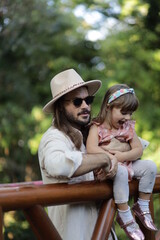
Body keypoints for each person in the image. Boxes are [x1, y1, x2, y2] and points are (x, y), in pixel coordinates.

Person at [38, 69, 118, 240]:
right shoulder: (54, 137)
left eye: (88, 100)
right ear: (60, 107)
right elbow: (57, 164)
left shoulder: (90, 137)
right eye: (77, 102)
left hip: (101, 232)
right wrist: (104, 159)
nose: (85, 106)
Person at [86, 84, 157, 240]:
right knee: (121, 171)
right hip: (109, 169)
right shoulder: (96, 127)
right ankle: (124, 214)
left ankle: (142, 205)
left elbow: (138, 150)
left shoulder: (127, 127)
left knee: (150, 167)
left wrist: (121, 156)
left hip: (126, 163)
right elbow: (90, 148)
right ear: (109, 107)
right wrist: (110, 158)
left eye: (130, 113)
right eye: (123, 112)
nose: (128, 117)